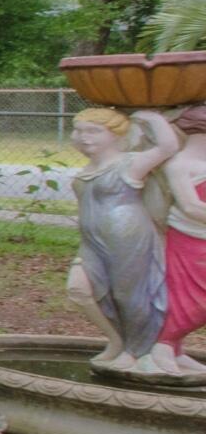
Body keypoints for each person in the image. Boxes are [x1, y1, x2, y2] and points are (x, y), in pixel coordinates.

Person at [65, 107, 181, 375]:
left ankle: (137, 350)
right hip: (92, 242)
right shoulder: (89, 168)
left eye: (93, 131)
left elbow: (167, 146)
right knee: (78, 289)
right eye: (78, 130)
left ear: (116, 135)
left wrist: (151, 117)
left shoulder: (129, 162)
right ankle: (117, 340)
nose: (83, 137)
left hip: (129, 241)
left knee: (129, 296)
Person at [149, 102, 206, 375]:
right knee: (191, 298)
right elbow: (190, 207)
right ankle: (163, 345)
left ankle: (176, 349)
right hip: (190, 238)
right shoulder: (181, 164)